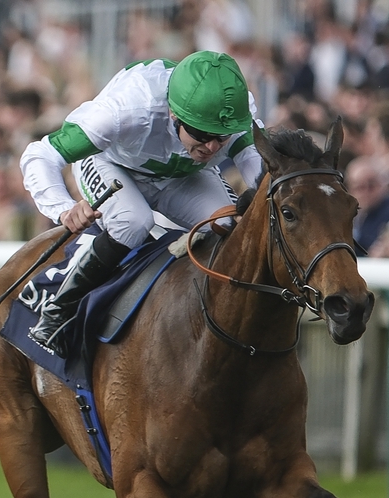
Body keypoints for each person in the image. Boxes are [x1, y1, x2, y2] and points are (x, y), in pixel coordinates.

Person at [20, 51, 265, 353]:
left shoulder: (234, 109)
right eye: (201, 134)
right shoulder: (126, 109)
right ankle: (59, 312)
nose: (212, 147)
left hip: (180, 175)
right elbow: (40, 155)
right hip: (112, 164)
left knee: (229, 224)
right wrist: (63, 208)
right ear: (173, 114)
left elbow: (261, 172)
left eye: (221, 137)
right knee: (132, 222)